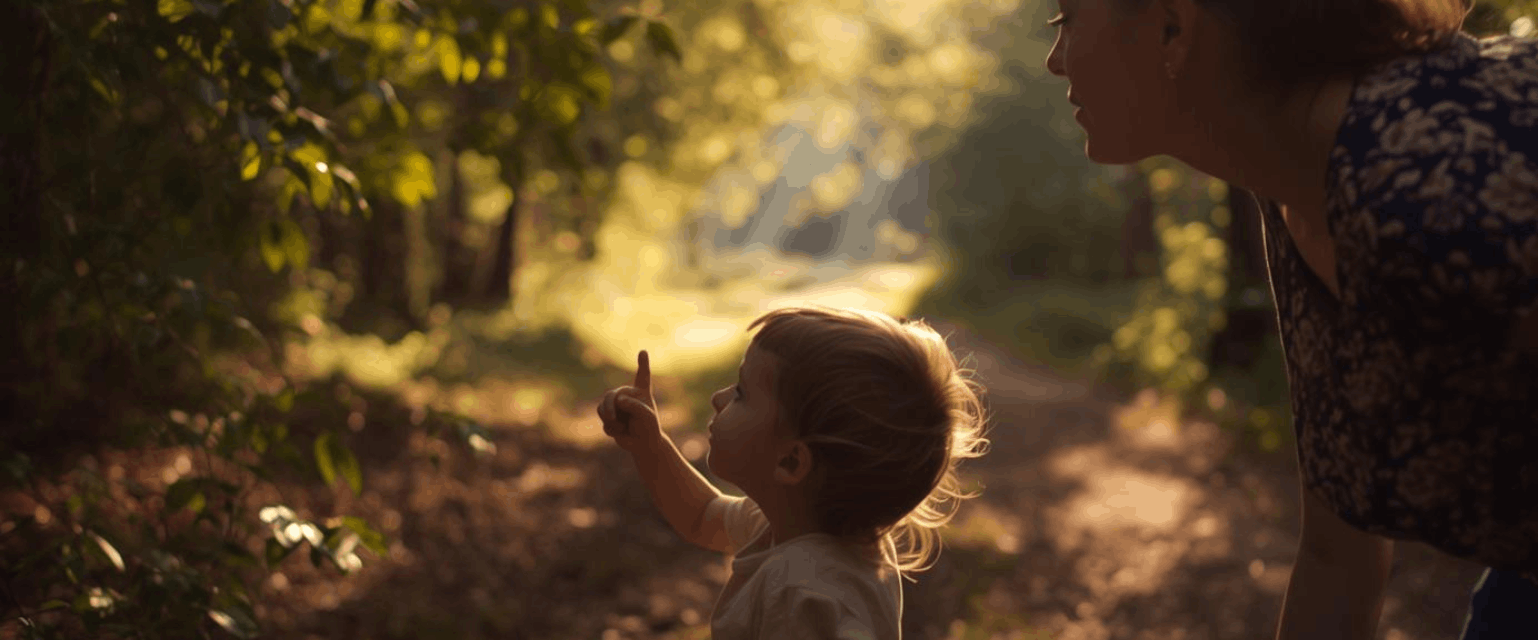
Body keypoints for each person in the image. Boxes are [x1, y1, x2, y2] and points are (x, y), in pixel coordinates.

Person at [1043, 0, 1538, 638]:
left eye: (1066, 20)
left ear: (1172, 27)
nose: (1055, 62)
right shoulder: (1298, 184)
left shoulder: (1430, 191)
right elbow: (1337, 554)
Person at [596, 305, 991, 639]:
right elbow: (703, 516)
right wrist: (651, 446)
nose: (718, 398)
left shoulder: (802, 593)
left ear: (790, 462)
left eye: (741, 393)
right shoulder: (801, 529)